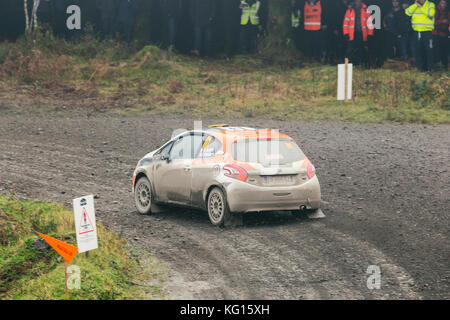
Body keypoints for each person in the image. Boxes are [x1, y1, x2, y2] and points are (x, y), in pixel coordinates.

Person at [405, 0, 436, 71]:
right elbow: (407, 12)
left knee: (429, 50)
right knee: (418, 50)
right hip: (417, 32)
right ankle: (421, 68)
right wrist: (415, 5)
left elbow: (431, 13)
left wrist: (421, 7)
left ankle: (430, 67)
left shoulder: (430, 4)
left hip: (427, 32)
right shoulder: (415, 5)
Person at [343, 0, 374, 66]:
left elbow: (370, 23)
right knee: (349, 51)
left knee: (361, 50)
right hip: (352, 35)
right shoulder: (349, 10)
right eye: (356, 1)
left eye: (359, 1)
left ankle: (360, 64)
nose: (357, 2)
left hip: (362, 34)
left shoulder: (366, 10)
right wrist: (346, 33)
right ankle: (346, 65)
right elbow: (345, 23)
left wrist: (370, 34)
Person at [433, 0, 449, 69]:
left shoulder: (447, 11)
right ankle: (436, 64)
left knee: (444, 49)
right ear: (439, 3)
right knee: (436, 50)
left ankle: (444, 64)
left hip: (444, 33)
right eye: (442, 3)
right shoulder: (435, 11)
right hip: (436, 34)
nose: (443, 4)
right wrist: (442, 21)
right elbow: (432, 22)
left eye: (445, 3)